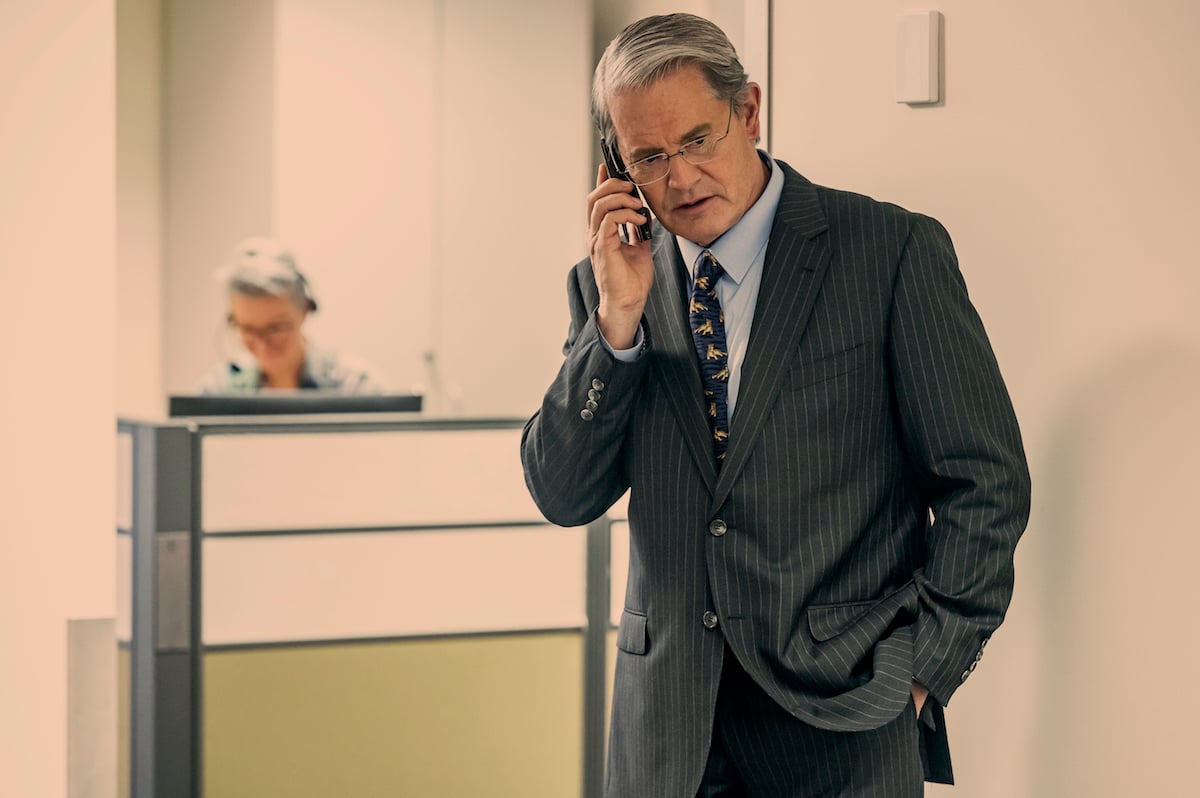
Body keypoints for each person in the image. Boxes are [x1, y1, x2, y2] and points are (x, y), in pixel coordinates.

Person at [521, 13, 1031, 798]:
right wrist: (616, 326)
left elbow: (983, 484)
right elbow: (564, 495)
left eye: (698, 140)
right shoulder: (605, 286)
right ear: (613, 167)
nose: (681, 179)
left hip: (846, 720)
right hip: (668, 737)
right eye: (647, 158)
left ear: (749, 111)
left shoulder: (889, 252)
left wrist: (922, 675)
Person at [198, 237, 382, 394]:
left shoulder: (354, 386)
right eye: (248, 329)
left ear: (305, 311)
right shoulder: (216, 390)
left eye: (275, 328)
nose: (262, 346)